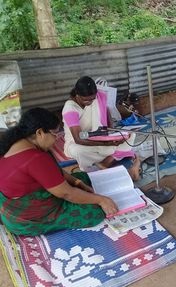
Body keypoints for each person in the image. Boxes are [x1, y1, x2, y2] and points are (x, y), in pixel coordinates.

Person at [0, 108, 118, 236]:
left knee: (82, 177)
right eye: (55, 134)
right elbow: (67, 194)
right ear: (40, 132)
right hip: (30, 221)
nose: (56, 139)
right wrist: (101, 200)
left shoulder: (16, 145)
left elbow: (54, 172)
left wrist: (77, 182)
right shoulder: (35, 158)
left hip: (14, 212)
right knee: (95, 212)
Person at [62, 76, 141, 180]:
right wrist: (105, 143)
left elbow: (105, 109)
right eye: (86, 100)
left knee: (131, 135)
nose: (90, 102)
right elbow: (78, 139)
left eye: (92, 99)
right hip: (79, 143)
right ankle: (109, 158)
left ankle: (105, 162)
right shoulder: (70, 108)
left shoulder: (98, 97)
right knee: (78, 151)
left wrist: (112, 132)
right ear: (77, 95)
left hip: (100, 137)